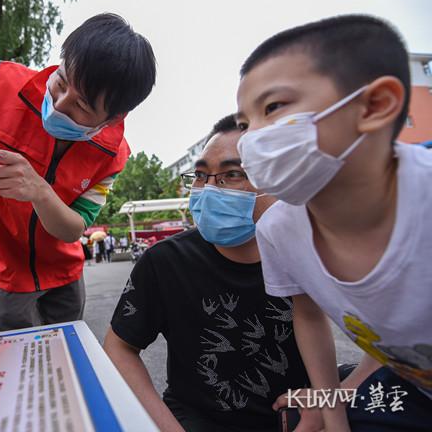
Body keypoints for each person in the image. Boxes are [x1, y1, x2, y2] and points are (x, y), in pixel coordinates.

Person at [235, 14, 432, 431]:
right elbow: (307, 316)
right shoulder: (278, 232)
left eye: (273, 108)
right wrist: (333, 413)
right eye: (244, 124)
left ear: (376, 105)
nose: (250, 139)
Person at [104, 115, 310, 432]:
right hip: (196, 420)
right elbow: (120, 347)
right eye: (200, 176)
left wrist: (327, 401)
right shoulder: (165, 262)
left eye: (231, 174)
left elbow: (390, 343)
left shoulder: (309, 253)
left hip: (296, 417)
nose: (209, 190)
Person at [0, 14, 156, 331]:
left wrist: (40, 191)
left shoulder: (113, 156)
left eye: (81, 106)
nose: (59, 104)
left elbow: (74, 228)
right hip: (3, 271)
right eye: (60, 81)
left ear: (112, 118)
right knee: (16, 360)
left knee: (63, 354)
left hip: (64, 274)